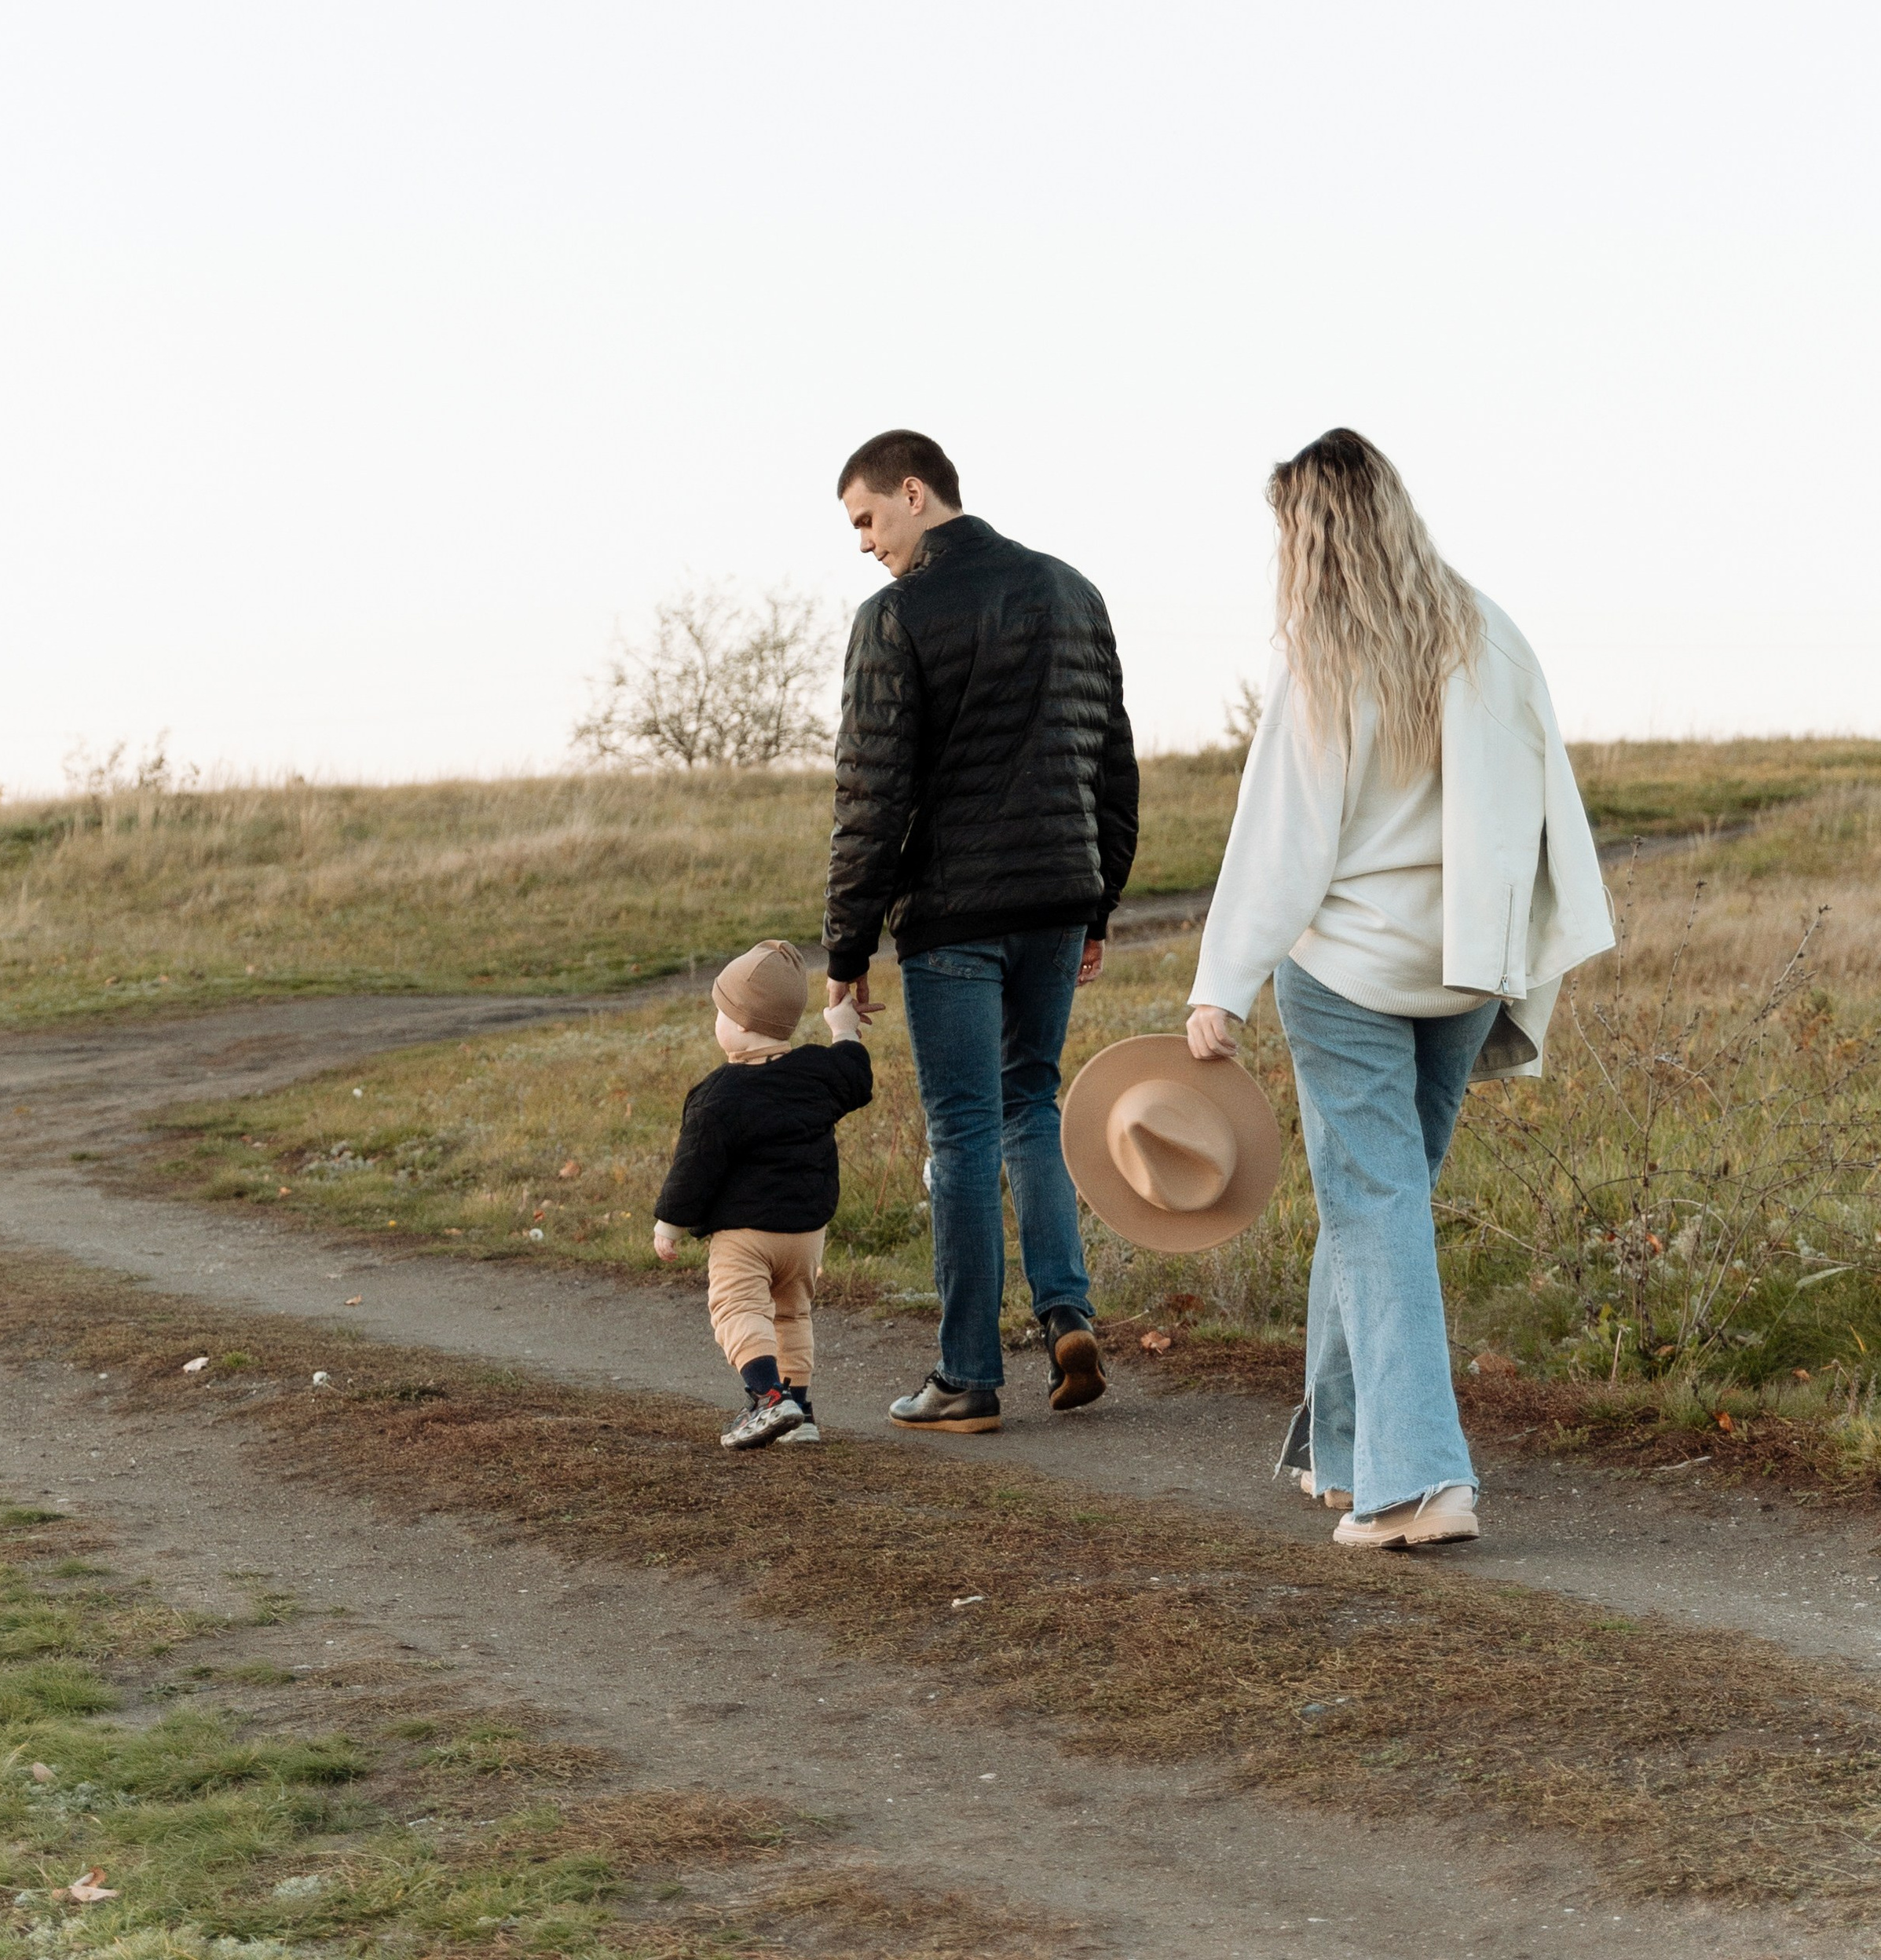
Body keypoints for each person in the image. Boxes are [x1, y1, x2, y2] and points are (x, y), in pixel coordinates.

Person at [1185, 429, 1613, 1549]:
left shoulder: (1326, 654)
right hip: (1467, 970)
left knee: (1373, 1210)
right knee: (1384, 1208)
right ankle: (1341, 1447)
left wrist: (1219, 984)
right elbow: (1543, 801)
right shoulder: (1491, 636)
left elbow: (1282, 841)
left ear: (1308, 536)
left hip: (1349, 976)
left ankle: (1420, 1484)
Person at [824, 427, 1139, 1435]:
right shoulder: (1072, 592)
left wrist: (846, 948)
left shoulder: (896, 616)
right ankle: (1065, 1314)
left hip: (954, 917)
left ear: (913, 493)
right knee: (1029, 1108)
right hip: (1055, 899)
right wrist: (1096, 903)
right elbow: (1111, 766)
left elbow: (871, 792)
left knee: (962, 1130)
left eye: (866, 519)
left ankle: (965, 1375)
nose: (864, 543)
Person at [652, 938, 872, 1450]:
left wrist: (670, 1223)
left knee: (737, 1310)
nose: (717, 1023)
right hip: (805, 1233)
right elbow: (856, 1078)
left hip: (746, 1233)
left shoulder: (719, 1094)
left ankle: (769, 1399)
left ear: (740, 1023)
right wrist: (844, 1028)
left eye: (720, 1012)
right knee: (791, 1315)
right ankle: (802, 1410)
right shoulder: (817, 1074)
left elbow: (693, 1168)